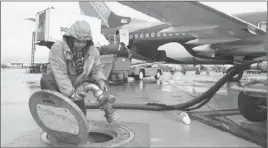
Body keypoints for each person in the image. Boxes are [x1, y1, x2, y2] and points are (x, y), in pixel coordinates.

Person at [40, 20, 108, 115]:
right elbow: (61, 75)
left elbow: (97, 69)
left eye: (84, 42)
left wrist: (100, 81)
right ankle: (53, 114)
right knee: (46, 81)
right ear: (71, 38)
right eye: (78, 41)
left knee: (81, 117)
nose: (81, 44)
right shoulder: (58, 48)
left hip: (75, 87)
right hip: (55, 85)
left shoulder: (93, 52)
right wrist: (71, 95)